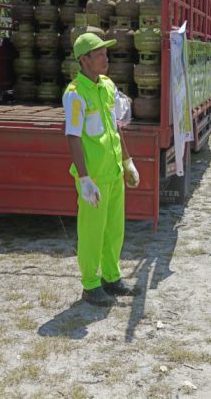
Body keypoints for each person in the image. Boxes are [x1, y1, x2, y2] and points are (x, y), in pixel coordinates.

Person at [63, 33, 141, 307]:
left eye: (105, 54)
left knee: (113, 229)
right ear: (84, 60)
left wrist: (127, 161)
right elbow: (73, 136)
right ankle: (90, 285)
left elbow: (116, 126)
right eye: (99, 55)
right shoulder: (75, 95)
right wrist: (84, 178)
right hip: (93, 177)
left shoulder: (108, 86)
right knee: (92, 231)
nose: (105, 59)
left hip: (113, 172)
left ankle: (111, 277)